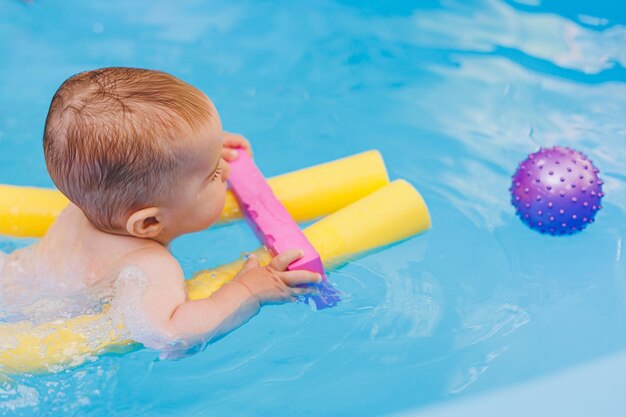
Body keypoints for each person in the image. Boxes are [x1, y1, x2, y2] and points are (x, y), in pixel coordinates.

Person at [0, 67, 321, 351]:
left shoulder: (87, 201)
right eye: (211, 173)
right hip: (20, 325)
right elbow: (169, 333)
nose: (224, 168)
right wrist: (248, 290)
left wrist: (195, 152)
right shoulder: (149, 266)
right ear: (149, 222)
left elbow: (125, 163)